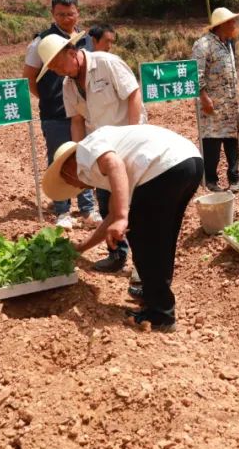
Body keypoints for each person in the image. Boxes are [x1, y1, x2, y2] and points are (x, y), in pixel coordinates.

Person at [41, 125, 203, 332]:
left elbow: (114, 164)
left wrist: (122, 217)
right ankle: (155, 299)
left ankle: (160, 315)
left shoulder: (86, 150)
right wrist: (82, 247)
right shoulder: (107, 160)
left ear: (67, 169)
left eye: (69, 182)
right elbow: (111, 216)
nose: (78, 187)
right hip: (188, 162)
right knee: (161, 239)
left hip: (163, 167)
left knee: (144, 239)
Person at [38, 31, 145, 274]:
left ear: (71, 52)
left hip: (129, 144)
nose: (58, 71)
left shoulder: (106, 63)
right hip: (102, 151)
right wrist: (80, 155)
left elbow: (133, 95)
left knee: (135, 205)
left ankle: (143, 266)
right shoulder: (68, 85)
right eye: (53, 69)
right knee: (106, 205)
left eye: (59, 65)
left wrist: (134, 133)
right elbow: (77, 121)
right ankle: (117, 254)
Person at [22, 0, 95, 229]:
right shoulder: (41, 42)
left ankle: (88, 208)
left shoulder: (86, 40)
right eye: (60, 14)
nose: (65, 19)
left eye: (70, 14)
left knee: (85, 156)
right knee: (59, 159)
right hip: (55, 113)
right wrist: (48, 98)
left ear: (78, 13)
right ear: (52, 14)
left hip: (85, 112)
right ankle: (62, 210)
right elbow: (29, 77)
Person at [192, 7, 239, 192]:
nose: (234, 24)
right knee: (212, 141)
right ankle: (210, 180)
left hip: (230, 104)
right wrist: (204, 97)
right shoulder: (203, 45)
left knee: (232, 141)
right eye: (231, 21)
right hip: (213, 104)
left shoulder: (229, 43)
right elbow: (196, 74)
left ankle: (234, 178)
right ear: (221, 24)